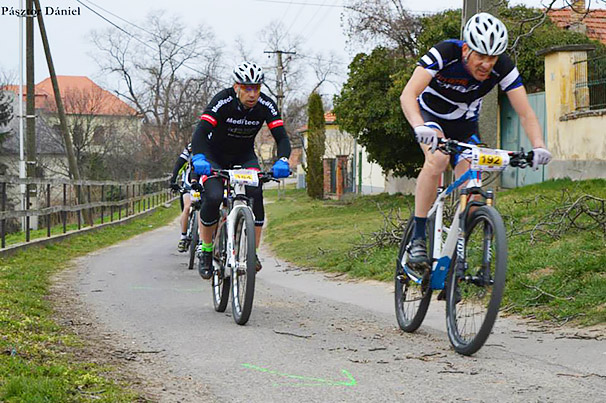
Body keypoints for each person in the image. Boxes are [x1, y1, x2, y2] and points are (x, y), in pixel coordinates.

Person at [399, 12, 552, 277]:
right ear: (467, 49)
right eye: (480, 56)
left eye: (492, 58)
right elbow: (408, 94)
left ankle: (454, 262)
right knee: (437, 160)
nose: (486, 64)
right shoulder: (446, 52)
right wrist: (418, 127)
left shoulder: (502, 67)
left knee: (473, 190)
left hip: (465, 125)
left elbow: (526, 113)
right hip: (430, 118)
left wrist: (539, 146)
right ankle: (419, 238)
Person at [190, 61, 291, 279]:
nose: (252, 93)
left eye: (256, 88)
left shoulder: (265, 105)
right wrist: (198, 157)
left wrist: (282, 159)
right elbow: (200, 133)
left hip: (243, 156)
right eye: (247, 88)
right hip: (213, 155)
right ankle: (206, 251)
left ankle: (252, 253)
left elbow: (282, 137)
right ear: (237, 87)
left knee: (255, 193)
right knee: (214, 196)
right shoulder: (223, 100)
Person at [169, 143, 202, 252]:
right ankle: (183, 237)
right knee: (187, 207)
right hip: (188, 184)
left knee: (204, 210)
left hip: (203, 183)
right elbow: (179, 164)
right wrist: (173, 180)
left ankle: (202, 239)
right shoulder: (191, 147)